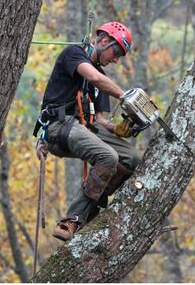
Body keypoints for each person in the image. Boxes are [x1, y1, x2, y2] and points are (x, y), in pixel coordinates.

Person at [33, 21, 141, 241]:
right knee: (108, 156)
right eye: (116, 52)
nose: (115, 59)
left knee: (131, 158)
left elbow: (101, 120)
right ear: (103, 41)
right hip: (58, 126)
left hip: (84, 128)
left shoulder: (100, 77)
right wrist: (125, 96)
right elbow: (93, 77)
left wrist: (120, 130)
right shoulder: (73, 54)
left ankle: (90, 207)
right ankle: (72, 218)